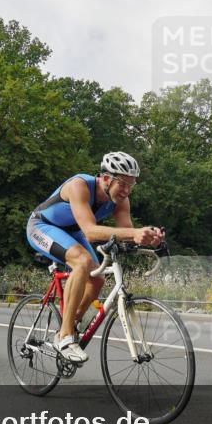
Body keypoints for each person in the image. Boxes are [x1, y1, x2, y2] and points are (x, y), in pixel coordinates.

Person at [25, 151, 164, 364]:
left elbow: (127, 234)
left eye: (131, 185)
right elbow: (90, 231)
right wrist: (133, 234)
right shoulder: (79, 186)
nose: (127, 190)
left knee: (97, 278)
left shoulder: (121, 201)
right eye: (122, 183)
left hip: (72, 232)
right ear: (106, 178)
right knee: (82, 261)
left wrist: (147, 238)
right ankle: (64, 336)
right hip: (42, 226)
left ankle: (72, 324)